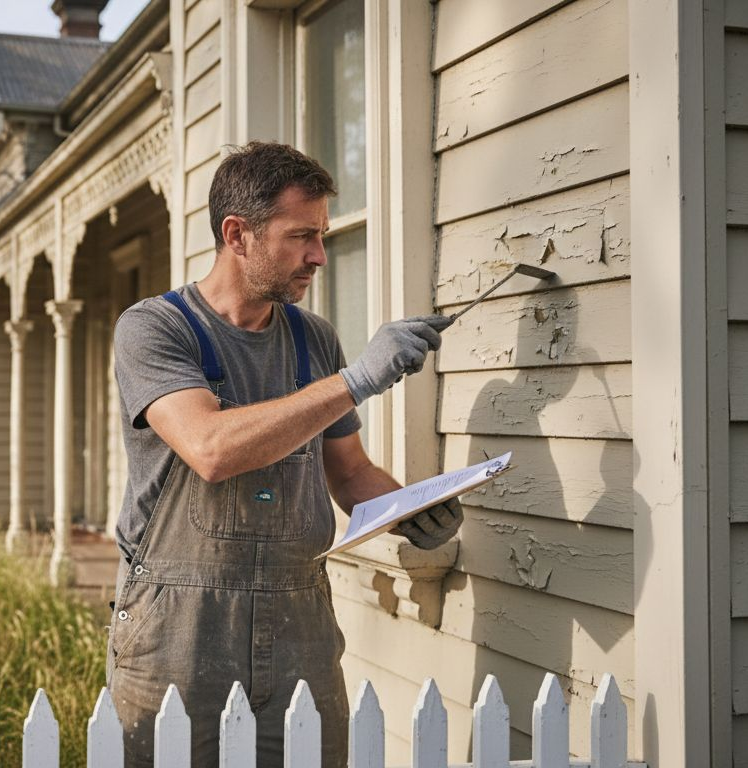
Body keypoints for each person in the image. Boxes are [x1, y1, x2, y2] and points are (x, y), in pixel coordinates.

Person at [108, 141, 461, 767]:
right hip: (178, 630)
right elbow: (209, 448)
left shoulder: (312, 338)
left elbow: (350, 473)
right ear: (237, 234)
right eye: (302, 236)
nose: (319, 256)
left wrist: (411, 508)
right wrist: (357, 380)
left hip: (300, 620)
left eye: (321, 236)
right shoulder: (154, 329)